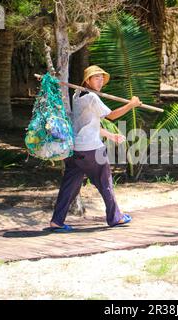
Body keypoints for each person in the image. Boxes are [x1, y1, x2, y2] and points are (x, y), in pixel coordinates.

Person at [49, 65, 141, 232]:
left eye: (101, 78)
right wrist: (131, 104)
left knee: (69, 185)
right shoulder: (92, 97)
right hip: (92, 150)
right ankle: (116, 217)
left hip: (75, 149)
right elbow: (111, 116)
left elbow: (89, 124)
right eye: (96, 78)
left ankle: (57, 221)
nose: (99, 81)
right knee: (105, 182)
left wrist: (110, 135)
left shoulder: (77, 95)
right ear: (87, 80)